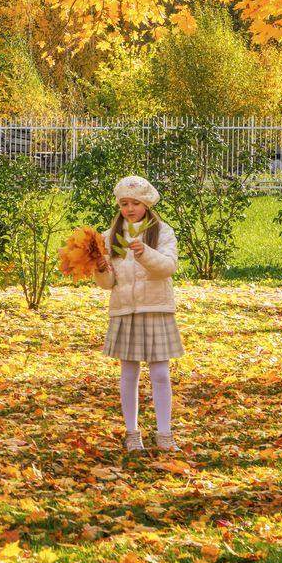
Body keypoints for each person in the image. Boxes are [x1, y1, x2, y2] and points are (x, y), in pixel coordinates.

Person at [94, 176, 183, 452]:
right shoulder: (110, 238)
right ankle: (132, 433)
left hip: (155, 308)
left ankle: (165, 433)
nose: (130, 209)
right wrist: (100, 269)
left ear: (146, 204)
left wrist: (144, 253)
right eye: (124, 203)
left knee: (160, 373)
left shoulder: (162, 232)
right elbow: (109, 284)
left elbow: (167, 267)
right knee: (129, 373)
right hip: (125, 310)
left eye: (135, 203)